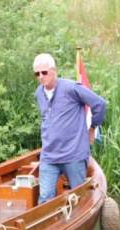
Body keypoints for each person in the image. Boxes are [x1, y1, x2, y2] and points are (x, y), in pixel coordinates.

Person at [33, 53, 107, 204]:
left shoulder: (72, 88)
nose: (41, 76)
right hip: (49, 156)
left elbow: (99, 104)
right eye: (37, 73)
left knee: (80, 199)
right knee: (45, 198)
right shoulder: (38, 94)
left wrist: (92, 127)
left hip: (73, 154)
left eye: (44, 72)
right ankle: (51, 226)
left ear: (54, 71)